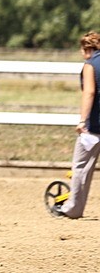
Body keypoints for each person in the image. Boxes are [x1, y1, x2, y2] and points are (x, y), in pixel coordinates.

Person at [53, 30, 100, 218]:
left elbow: (89, 93)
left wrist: (82, 121)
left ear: (87, 48)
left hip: (94, 127)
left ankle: (73, 209)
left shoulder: (90, 65)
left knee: (81, 167)